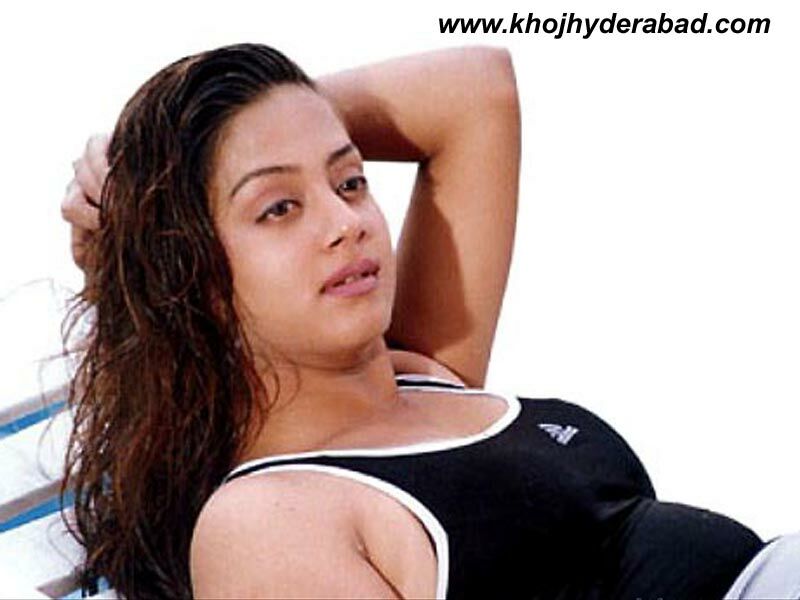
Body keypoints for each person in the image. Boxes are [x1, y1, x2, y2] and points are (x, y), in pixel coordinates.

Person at [61, 43, 797, 599]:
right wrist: (168, 177)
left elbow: (477, 91)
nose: (346, 222)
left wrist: (253, 129)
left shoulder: (421, 371)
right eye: (279, 207)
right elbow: (474, 93)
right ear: (189, 275)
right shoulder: (267, 523)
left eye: (349, 180)